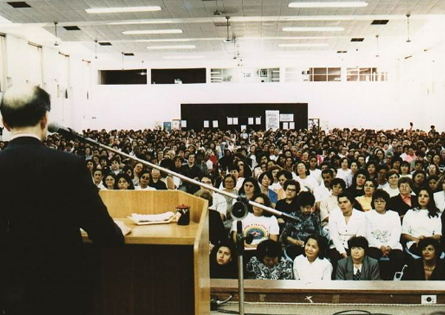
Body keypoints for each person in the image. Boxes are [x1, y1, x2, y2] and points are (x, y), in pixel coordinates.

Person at [0, 84, 125, 315]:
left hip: (10, 288)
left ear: (5, 123)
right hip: (63, 285)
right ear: (45, 118)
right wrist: (119, 233)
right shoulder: (68, 165)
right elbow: (104, 234)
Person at [365, 189, 405, 280]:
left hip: (393, 245)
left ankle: (395, 280)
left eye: (382, 201)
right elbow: (368, 234)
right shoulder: (367, 215)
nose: (379, 203)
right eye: (376, 201)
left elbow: (396, 232)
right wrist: (380, 246)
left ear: (387, 202)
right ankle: (374, 281)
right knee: (372, 257)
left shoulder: (394, 215)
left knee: (399, 257)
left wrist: (389, 246)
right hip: (374, 245)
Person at [328, 192, 367, 270]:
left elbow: (360, 236)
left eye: (345, 202)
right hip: (337, 247)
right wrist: (343, 253)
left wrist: (352, 252)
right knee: (337, 258)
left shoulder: (362, 216)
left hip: (354, 246)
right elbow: (334, 236)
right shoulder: (333, 214)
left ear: (352, 203)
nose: (342, 205)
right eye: (340, 203)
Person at [401, 188, 442, 257]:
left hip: (431, 241)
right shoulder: (410, 212)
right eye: (420, 195)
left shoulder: (436, 214)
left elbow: (438, 235)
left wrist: (426, 240)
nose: (422, 198)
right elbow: (404, 234)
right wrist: (416, 239)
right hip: (414, 242)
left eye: (425, 196)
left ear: (430, 198)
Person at [281, 191, 321, 260]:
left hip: (310, 247)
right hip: (294, 246)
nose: (305, 210)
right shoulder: (293, 216)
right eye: (303, 207)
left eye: (308, 208)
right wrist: (295, 241)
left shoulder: (315, 218)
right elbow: (284, 236)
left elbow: (318, 235)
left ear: (312, 206)